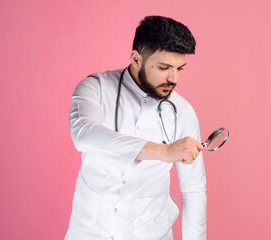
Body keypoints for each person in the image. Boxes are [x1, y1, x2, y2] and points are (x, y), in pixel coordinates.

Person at [65, 15, 206, 240]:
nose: (173, 78)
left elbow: (193, 191)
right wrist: (163, 151)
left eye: (180, 69)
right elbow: (83, 134)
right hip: (89, 232)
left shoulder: (183, 112)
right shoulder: (96, 88)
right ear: (136, 58)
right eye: (164, 67)